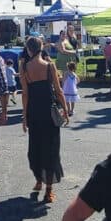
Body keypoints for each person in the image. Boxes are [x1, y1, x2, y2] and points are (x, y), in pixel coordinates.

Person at [20, 35, 68, 203]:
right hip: (48, 111)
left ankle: (39, 181)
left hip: (34, 111)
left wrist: (24, 116)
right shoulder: (49, 66)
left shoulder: (24, 67)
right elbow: (58, 90)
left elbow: (25, 94)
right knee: (51, 148)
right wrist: (66, 110)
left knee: (36, 146)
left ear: (29, 49)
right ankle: (49, 190)